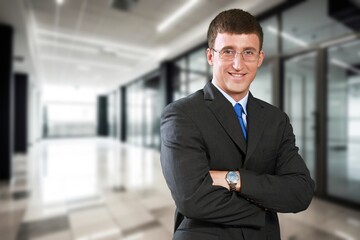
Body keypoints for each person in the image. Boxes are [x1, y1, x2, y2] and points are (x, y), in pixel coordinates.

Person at [160, 8, 315, 240]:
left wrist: (234, 179)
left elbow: (301, 192)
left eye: (248, 52)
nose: (238, 64)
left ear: (260, 58)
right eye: (228, 51)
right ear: (210, 56)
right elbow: (192, 199)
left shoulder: (275, 119)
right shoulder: (182, 114)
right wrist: (266, 206)